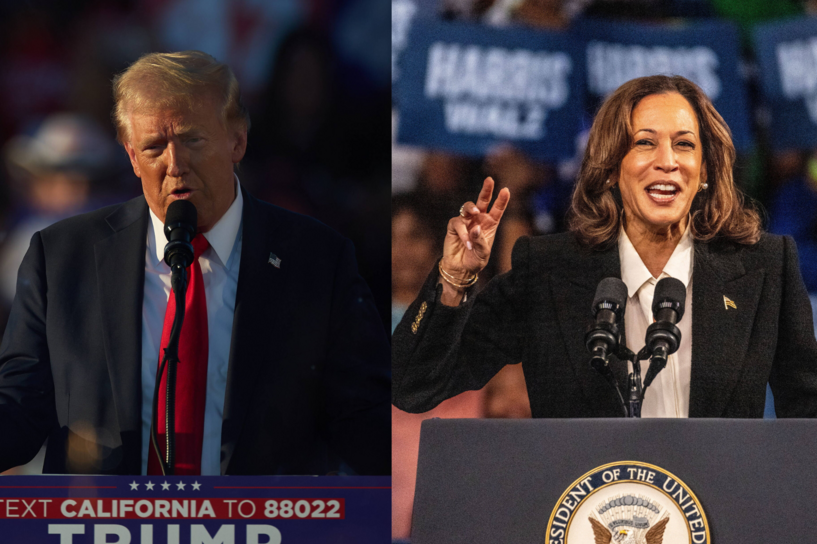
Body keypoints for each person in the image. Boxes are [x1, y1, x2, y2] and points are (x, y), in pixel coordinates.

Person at [0, 51, 390, 475]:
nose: (175, 164)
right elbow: (19, 410)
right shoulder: (60, 258)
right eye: (154, 148)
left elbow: (363, 421)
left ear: (237, 140)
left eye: (192, 140)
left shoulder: (316, 259)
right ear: (131, 157)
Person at [393, 74, 817, 418]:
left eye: (684, 144)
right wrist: (453, 280)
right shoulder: (548, 274)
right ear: (612, 167)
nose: (667, 160)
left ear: (704, 169)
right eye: (644, 142)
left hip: (720, 518)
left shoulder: (764, 268)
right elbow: (414, 385)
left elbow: (808, 417)